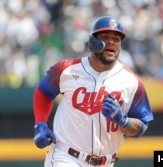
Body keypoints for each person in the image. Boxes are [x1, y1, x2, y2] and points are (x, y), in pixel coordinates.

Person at [33, 16, 154, 167]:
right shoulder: (67, 69)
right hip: (66, 157)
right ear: (93, 42)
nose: (112, 42)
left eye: (116, 39)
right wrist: (40, 124)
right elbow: (44, 92)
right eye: (105, 37)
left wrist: (124, 121)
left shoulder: (132, 82)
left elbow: (140, 128)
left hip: (106, 162)